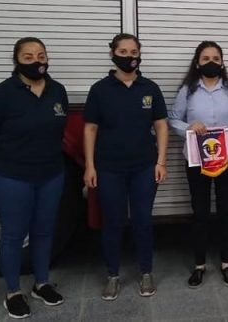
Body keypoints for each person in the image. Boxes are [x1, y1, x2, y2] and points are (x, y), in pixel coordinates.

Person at [0, 37, 66, 319]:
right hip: (11, 176)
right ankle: (13, 292)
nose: (37, 61)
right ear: (17, 61)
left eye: (41, 55)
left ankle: (42, 283)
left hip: (50, 173)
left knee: (43, 231)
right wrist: (8, 157)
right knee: (13, 234)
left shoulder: (57, 90)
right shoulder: (1, 93)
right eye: (28, 57)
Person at [83, 33, 169, 300]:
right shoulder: (99, 90)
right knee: (113, 223)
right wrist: (89, 166)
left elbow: (161, 125)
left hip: (144, 167)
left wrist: (161, 161)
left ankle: (146, 272)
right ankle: (112, 275)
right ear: (112, 54)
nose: (129, 57)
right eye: (123, 52)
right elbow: (90, 128)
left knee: (143, 221)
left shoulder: (150, 88)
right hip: (108, 168)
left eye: (134, 52)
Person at [168, 41, 228, 288]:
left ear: (222, 62)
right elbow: (172, 120)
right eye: (205, 58)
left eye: (216, 57)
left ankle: (226, 263)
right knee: (200, 213)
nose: (211, 62)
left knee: (226, 211)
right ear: (197, 63)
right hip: (197, 161)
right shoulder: (187, 90)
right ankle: (199, 265)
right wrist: (188, 127)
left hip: (227, 161)